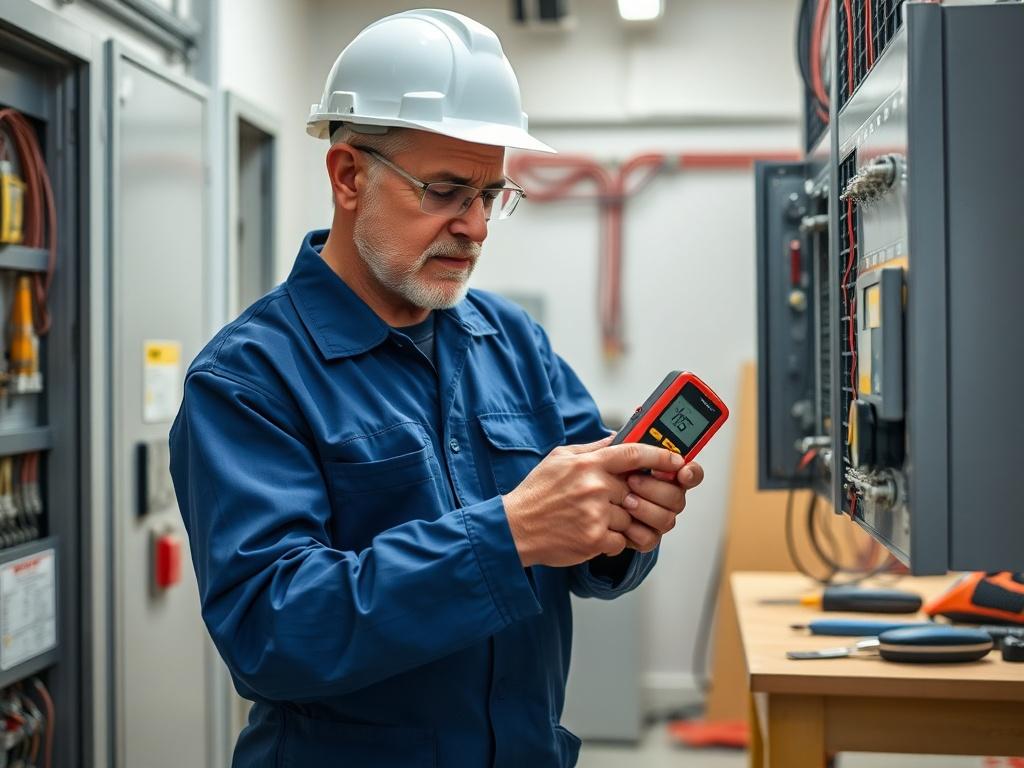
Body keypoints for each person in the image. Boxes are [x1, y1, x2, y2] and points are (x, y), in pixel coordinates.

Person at [169, 9, 704, 767]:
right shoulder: (249, 380)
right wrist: (509, 533)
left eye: (491, 194)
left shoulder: (512, 342)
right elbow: (271, 633)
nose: (478, 226)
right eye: (448, 190)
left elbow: (592, 556)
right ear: (349, 175)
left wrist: (624, 530)